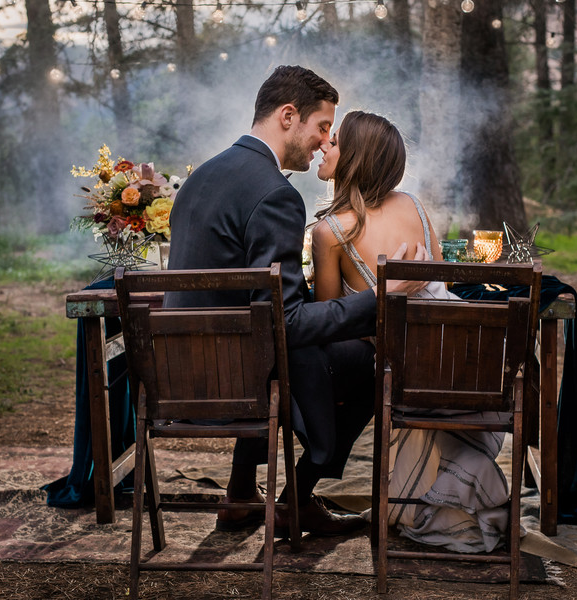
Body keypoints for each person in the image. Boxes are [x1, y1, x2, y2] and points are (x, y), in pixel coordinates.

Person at [164, 66, 425, 538]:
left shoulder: (201, 177)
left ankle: (242, 491)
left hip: (182, 373)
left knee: (306, 347)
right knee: (371, 360)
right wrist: (380, 300)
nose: (324, 142)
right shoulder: (275, 195)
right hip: (240, 376)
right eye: (323, 127)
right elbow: (288, 324)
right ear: (288, 116)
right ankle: (303, 488)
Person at [311, 110, 512, 553]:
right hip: (458, 360)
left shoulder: (331, 233)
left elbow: (331, 318)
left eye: (336, 140)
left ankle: (313, 475)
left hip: (403, 373)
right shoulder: (416, 207)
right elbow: (444, 281)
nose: (325, 144)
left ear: (355, 158)